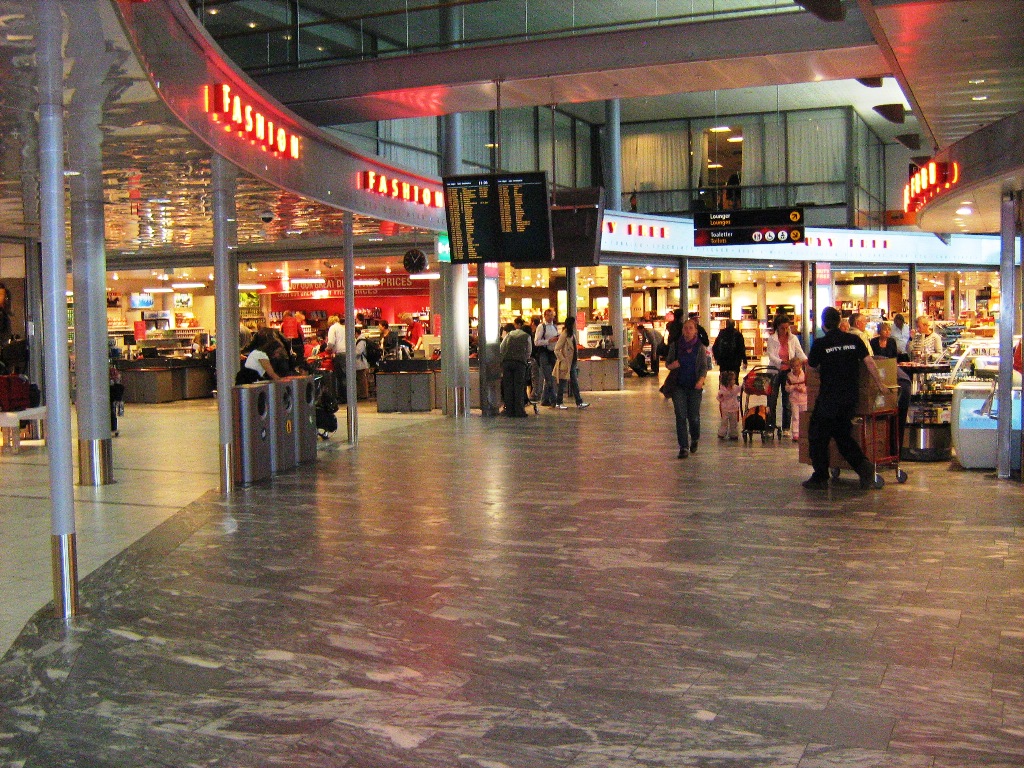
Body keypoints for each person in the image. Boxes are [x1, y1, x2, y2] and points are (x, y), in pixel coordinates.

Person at [803, 306, 888, 490]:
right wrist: (880, 384)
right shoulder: (854, 340)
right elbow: (869, 362)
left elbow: (811, 367)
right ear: (840, 322)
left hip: (829, 398)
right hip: (850, 397)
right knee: (842, 435)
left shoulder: (820, 344)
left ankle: (820, 476)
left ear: (824, 325)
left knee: (817, 435)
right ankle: (864, 469)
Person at [665, 318, 709, 458]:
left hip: (695, 387)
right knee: (680, 415)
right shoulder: (676, 346)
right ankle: (683, 447)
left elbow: (704, 366)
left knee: (693, 416)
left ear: (695, 331)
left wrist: (701, 380)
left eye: (691, 328)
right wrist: (672, 365)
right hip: (678, 386)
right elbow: (668, 363)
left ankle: (695, 438)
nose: (688, 331)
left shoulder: (700, 347)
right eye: (685, 328)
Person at [765, 314, 806, 435]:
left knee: (788, 400)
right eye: (782, 328)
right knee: (772, 400)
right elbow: (771, 355)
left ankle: (786, 428)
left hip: (788, 372)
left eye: (787, 327)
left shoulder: (793, 338)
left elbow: (799, 352)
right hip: (774, 372)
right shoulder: (772, 339)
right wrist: (782, 362)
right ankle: (770, 427)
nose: (785, 330)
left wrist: (806, 361)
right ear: (777, 327)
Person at [553, 316, 589, 410]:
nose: (575, 324)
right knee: (563, 383)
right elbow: (556, 349)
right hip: (567, 363)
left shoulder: (571, 334)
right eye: (574, 322)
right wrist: (563, 359)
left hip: (572, 362)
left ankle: (579, 402)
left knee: (574, 383)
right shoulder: (565, 334)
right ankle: (559, 402)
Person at [499, 317, 532, 417]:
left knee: (508, 387)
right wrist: (524, 359)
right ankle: (519, 411)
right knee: (519, 387)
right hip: (520, 363)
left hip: (507, 362)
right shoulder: (527, 336)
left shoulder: (509, 334)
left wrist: (505, 357)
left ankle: (509, 410)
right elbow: (529, 351)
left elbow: (502, 347)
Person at [534, 308, 560, 405]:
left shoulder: (555, 327)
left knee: (551, 377)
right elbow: (536, 342)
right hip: (544, 353)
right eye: (548, 315)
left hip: (553, 353)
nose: (550, 317)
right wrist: (548, 341)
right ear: (544, 316)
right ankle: (554, 399)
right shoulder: (541, 327)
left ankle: (545, 400)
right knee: (548, 377)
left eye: (551, 315)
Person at [786, 357, 808, 442]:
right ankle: (795, 434)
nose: (796, 368)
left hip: (804, 399)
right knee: (795, 417)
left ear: (800, 366)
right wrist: (793, 387)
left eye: (797, 366)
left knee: (804, 417)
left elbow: (808, 386)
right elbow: (787, 388)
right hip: (794, 400)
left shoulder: (805, 375)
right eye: (793, 366)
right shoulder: (789, 376)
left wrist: (803, 390)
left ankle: (804, 433)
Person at [716, 369, 741, 440]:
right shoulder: (722, 389)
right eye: (733, 379)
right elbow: (719, 398)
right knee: (724, 422)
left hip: (734, 408)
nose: (734, 381)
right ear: (728, 381)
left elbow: (741, 388)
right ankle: (722, 433)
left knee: (734, 422)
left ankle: (733, 434)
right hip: (725, 409)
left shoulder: (735, 387)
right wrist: (720, 396)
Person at [353, 326, 370, 400]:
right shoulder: (361, 340)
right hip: (360, 363)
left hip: (361, 363)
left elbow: (358, 352)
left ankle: (363, 394)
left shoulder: (361, 341)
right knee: (361, 379)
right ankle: (362, 394)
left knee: (361, 379)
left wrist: (351, 353)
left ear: (356, 333)